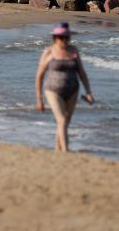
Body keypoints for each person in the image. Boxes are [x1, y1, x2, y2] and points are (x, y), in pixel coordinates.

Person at [35, 23, 94, 152]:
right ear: (55, 38)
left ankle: (58, 149)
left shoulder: (73, 50)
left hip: (73, 90)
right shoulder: (48, 51)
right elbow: (39, 76)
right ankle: (66, 151)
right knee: (61, 120)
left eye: (67, 38)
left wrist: (88, 92)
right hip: (53, 90)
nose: (64, 40)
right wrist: (39, 99)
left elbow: (82, 73)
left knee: (65, 122)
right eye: (62, 38)